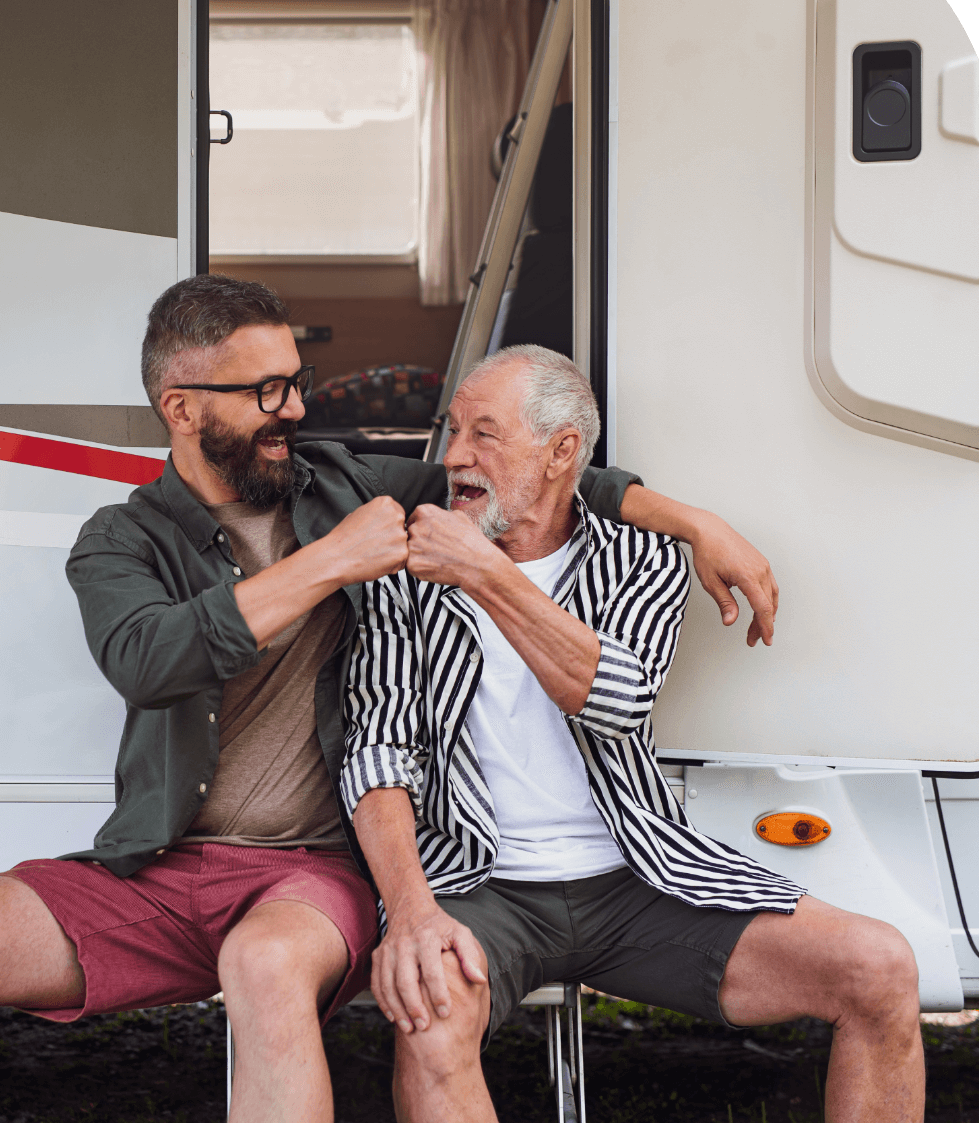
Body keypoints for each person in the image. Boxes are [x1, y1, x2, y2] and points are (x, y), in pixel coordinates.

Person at [0, 277, 782, 1123]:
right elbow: (148, 661)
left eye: (296, 382)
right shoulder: (120, 539)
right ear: (181, 409)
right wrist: (328, 563)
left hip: (313, 868)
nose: (293, 409)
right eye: (265, 391)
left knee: (262, 967)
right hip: (163, 865)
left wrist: (695, 522)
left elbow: (538, 477)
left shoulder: (343, 481)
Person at [344, 345, 924, 1123]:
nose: (454, 457)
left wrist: (485, 572)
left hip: (637, 879)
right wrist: (411, 911)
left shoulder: (641, 558)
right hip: (479, 886)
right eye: (454, 431)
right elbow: (377, 752)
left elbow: (616, 699)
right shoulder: (402, 571)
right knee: (431, 1015)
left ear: (562, 453)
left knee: (880, 966)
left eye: (484, 434)